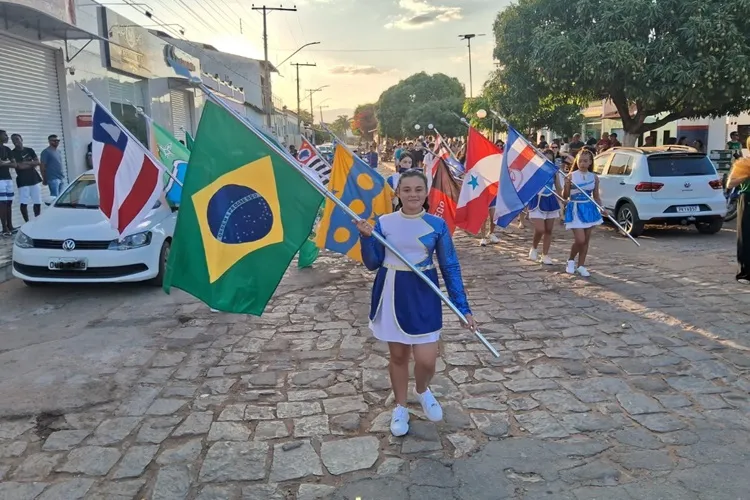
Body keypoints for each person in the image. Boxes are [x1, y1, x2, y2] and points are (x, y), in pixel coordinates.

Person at [355, 169, 477, 436]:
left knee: (427, 360)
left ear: (426, 193)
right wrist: (366, 238)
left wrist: (462, 307)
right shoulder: (384, 222)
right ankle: (400, 406)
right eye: (407, 189)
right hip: (392, 290)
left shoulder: (437, 225)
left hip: (424, 293)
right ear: (398, 193)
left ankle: (422, 390)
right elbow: (372, 263)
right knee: (398, 355)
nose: (413, 194)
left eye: (418, 190)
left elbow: (450, 266)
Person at [563, 149, 605, 277]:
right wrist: (566, 185)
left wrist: (602, 208)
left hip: (589, 209)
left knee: (586, 240)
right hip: (575, 208)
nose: (582, 163)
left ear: (590, 162)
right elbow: (565, 196)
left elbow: (596, 196)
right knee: (580, 240)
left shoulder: (594, 177)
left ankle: (581, 265)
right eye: (580, 160)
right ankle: (570, 260)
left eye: (585, 161)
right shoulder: (571, 176)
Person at [528, 148, 563, 264]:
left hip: (550, 200)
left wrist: (562, 200)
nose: (547, 161)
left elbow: (558, 187)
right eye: (545, 158)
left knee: (548, 230)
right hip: (537, 200)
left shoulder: (554, 171)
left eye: (550, 159)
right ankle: (534, 247)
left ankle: (545, 255)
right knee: (540, 229)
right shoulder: (535, 170)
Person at [727, 137, 750, 284]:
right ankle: (745, 273)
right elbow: (729, 184)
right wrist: (747, 174)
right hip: (748, 200)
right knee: (746, 237)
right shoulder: (743, 164)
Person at [11, 133, 42, 222]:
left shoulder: (29, 150)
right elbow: (18, 166)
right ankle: (27, 222)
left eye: (17, 139)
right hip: (23, 181)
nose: (15, 141)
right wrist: (31, 163)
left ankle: (37, 221)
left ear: (21, 139)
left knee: (37, 202)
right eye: (13, 140)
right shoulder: (12, 153)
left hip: (34, 179)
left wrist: (25, 163)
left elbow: (37, 162)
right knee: (24, 203)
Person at [0, 130, 15, 236]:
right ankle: (4, 228)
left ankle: (10, 226)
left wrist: (3, 163)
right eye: (4, 135)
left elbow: (15, 164)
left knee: (9, 202)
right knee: (2, 203)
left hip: (8, 178)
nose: (7, 136)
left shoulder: (7, 149)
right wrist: (8, 162)